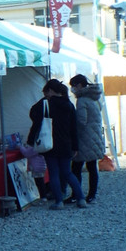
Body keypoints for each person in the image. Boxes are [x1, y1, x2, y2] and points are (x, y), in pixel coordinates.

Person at [26, 79, 87, 210]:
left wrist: (31, 141)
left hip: (50, 144)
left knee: (53, 173)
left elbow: (35, 120)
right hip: (66, 144)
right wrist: (75, 146)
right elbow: (73, 128)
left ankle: (59, 201)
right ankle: (81, 198)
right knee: (67, 173)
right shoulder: (69, 105)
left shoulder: (45, 104)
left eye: (47, 91)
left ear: (51, 91)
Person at [67, 75, 105, 204]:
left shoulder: (82, 100)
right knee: (92, 167)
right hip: (95, 137)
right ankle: (92, 195)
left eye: (73, 86)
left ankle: (76, 194)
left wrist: (72, 132)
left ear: (79, 85)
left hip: (84, 139)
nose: (72, 89)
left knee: (76, 167)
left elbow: (81, 121)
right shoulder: (95, 98)